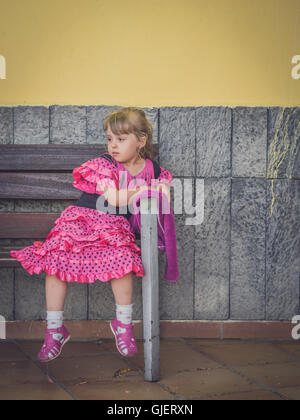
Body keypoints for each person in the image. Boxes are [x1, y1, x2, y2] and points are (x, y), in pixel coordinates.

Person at [10, 107, 173, 362]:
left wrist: (156, 188)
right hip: (82, 220)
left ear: (141, 141)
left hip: (114, 228)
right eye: (110, 139)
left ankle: (123, 324)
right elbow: (114, 198)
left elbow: (164, 196)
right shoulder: (104, 164)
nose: (113, 146)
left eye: (121, 139)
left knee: (124, 260)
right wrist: (146, 190)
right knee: (55, 260)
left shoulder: (154, 170)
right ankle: (55, 329)